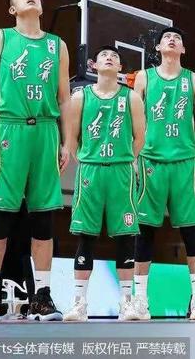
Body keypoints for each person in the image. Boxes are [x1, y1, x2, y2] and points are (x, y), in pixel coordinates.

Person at [0, 0, 71, 322]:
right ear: (12, 9)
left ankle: (41, 297)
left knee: (43, 218)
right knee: (1, 215)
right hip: (8, 128)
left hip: (45, 131)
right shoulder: (0, 39)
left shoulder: (57, 45)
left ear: (41, 7)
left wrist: (66, 142)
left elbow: (64, 98)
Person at [61, 46, 145, 321]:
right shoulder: (80, 97)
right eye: (104, 56)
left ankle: (126, 303)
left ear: (120, 68)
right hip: (91, 171)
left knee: (125, 236)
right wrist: (87, 159)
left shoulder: (131, 97)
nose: (110, 58)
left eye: (115, 57)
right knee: (86, 236)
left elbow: (139, 138)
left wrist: (125, 159)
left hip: (121, 171)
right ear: (93, 65)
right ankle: (79, 302)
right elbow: (72, 139)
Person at [132, 27, 195, 320]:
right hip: (150, 159)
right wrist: (133, 157)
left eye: (177, 38)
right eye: (167, 38)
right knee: (145, 230)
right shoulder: (144, 77)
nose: (172, 40)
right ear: (158, 48)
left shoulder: (194, 80)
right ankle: (140, 299)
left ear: (183, 49)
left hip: (184, 161)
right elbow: (133, 119)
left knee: (191, 231)